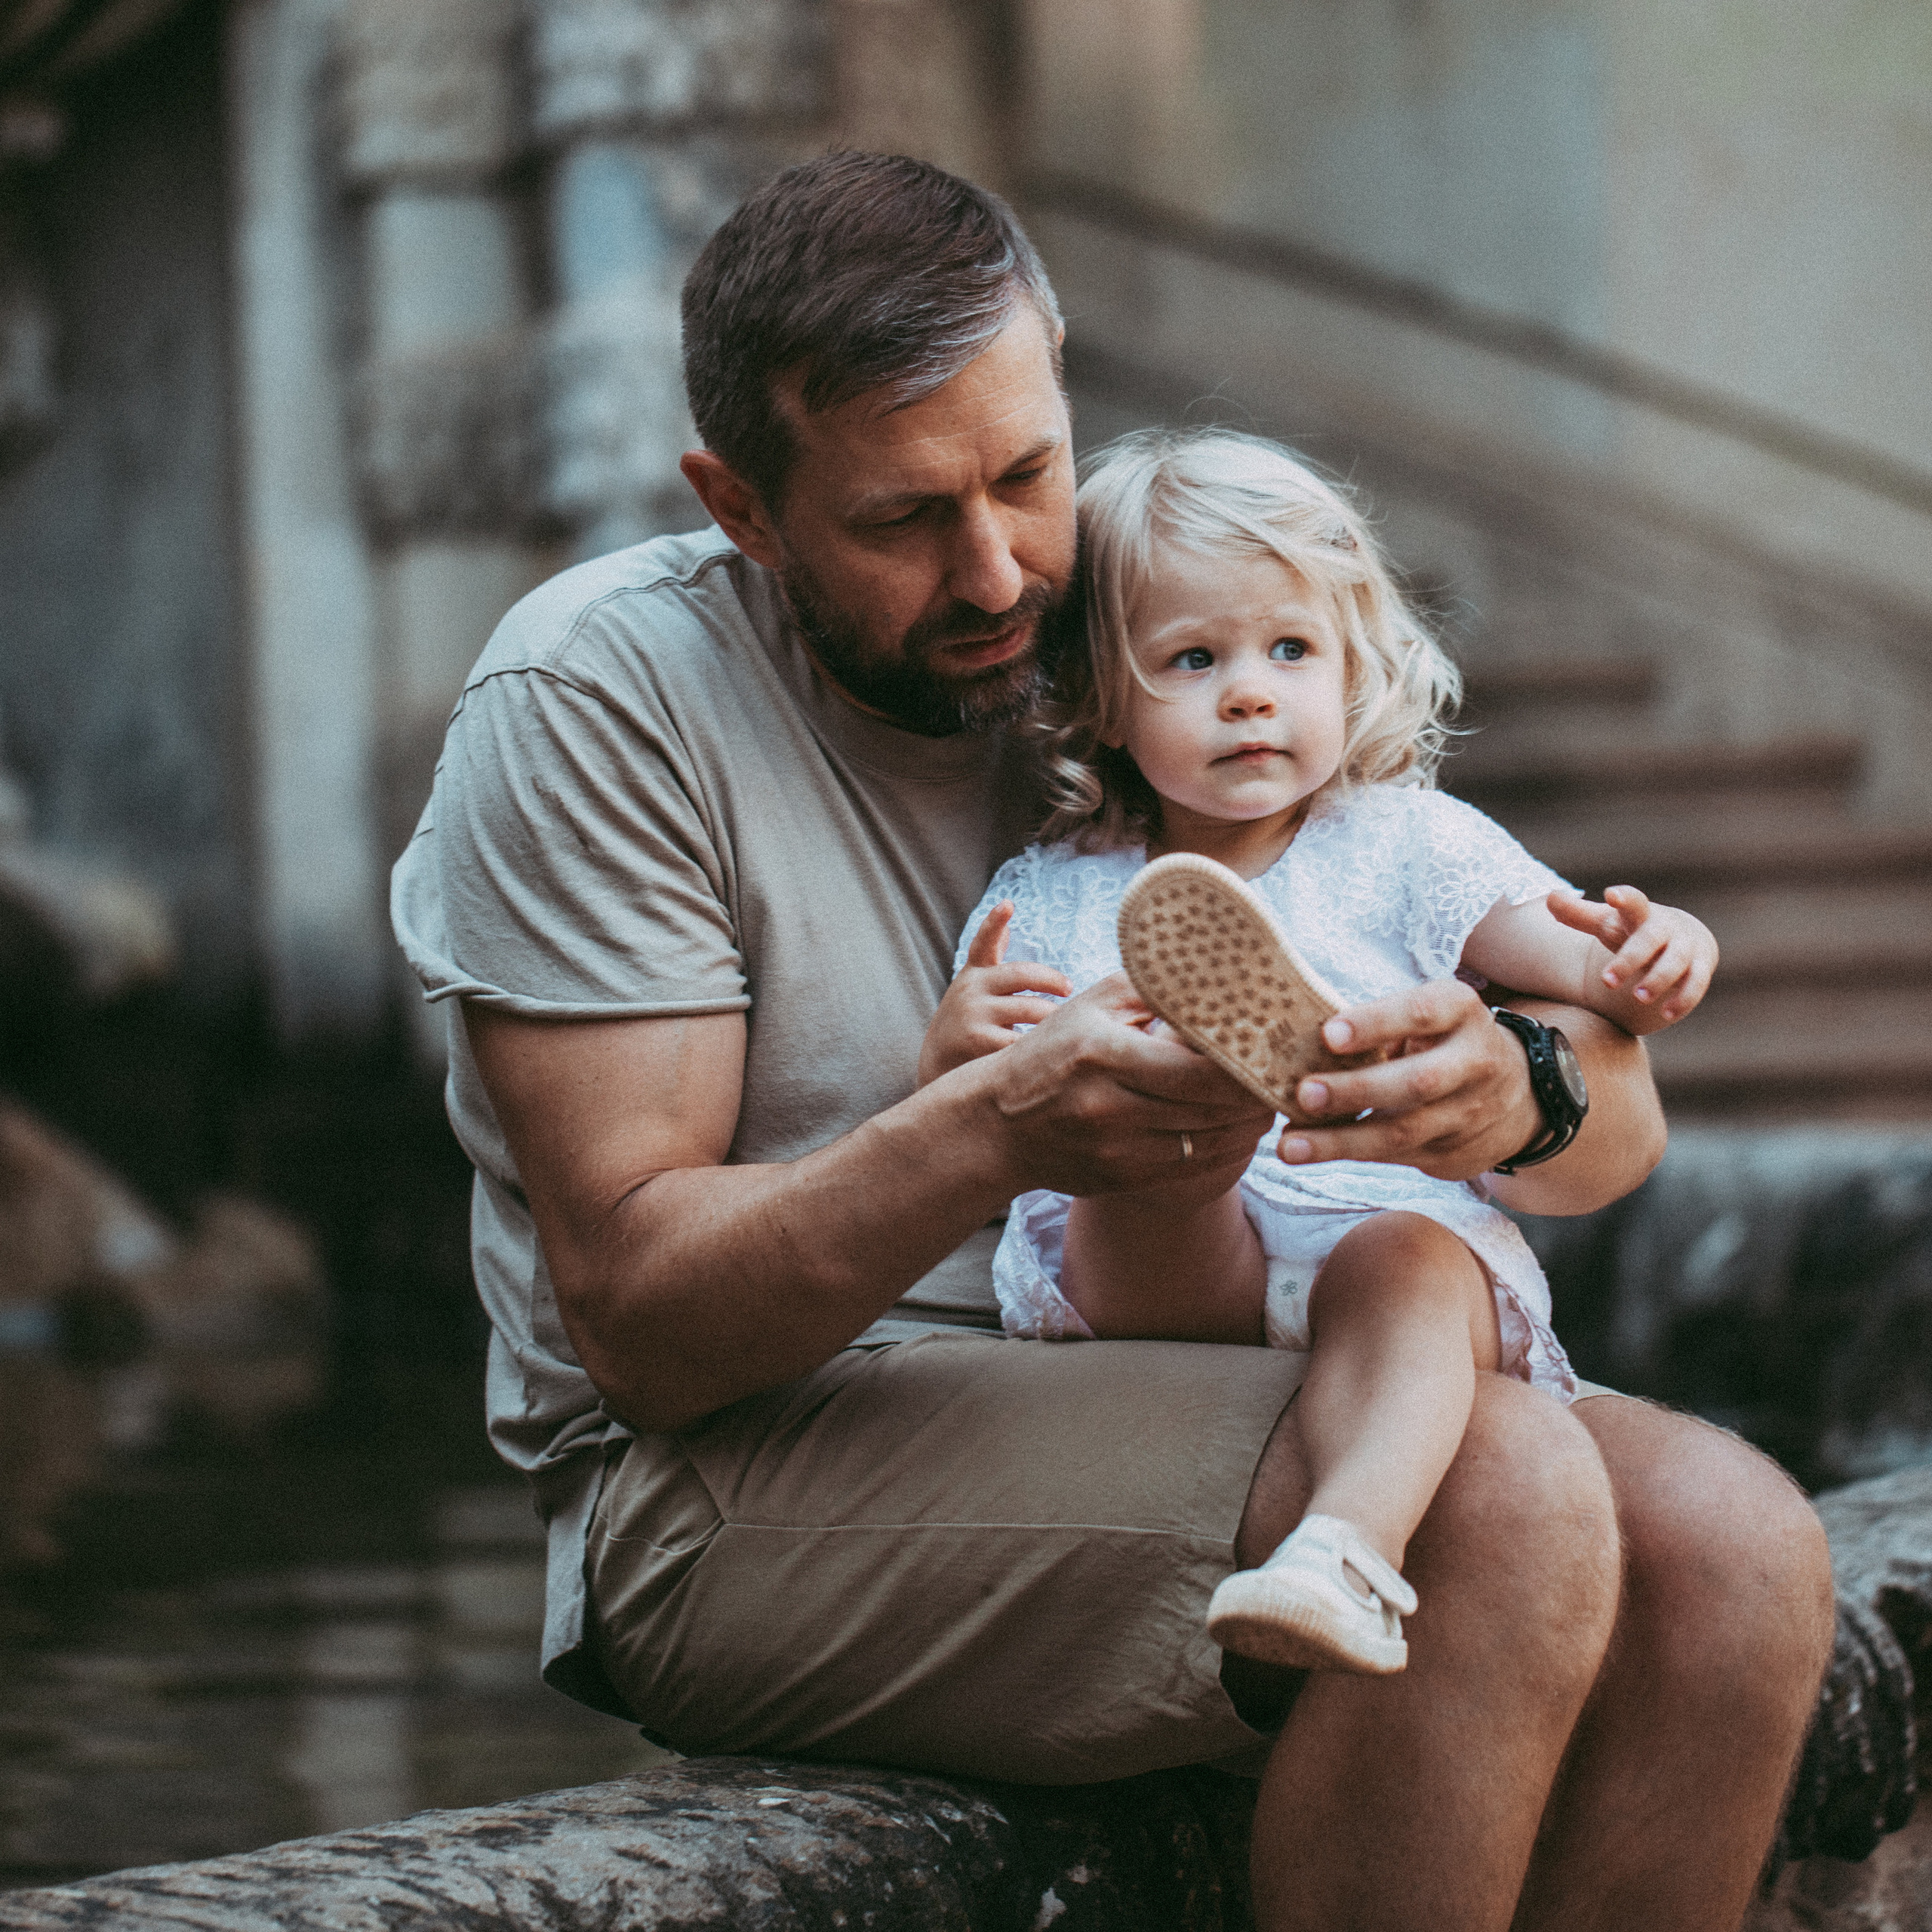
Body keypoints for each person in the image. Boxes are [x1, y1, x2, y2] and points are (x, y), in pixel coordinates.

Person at [392, 150, 1833, 1930]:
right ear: (743, 509)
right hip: (740, 1470)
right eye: (901, 518)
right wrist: (995, 1123)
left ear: (1059, 378)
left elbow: (1611, 1129)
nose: (994, 569)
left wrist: (1514, 1081)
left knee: (1743, 1552)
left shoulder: (1147, 633)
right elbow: (642, 1327)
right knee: (1504, 1497)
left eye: (1023, 471)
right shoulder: (596, 700)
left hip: (1164, 1348)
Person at [921, 428, 1720, 1680]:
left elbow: (1570, 956)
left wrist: (1651, 954)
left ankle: (1340, 1550)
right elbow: (972, 1090)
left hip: (1374, 1237)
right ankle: (1201, 1085)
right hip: (1169, 1293)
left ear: (1350, 668)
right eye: (1193, 659)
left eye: (1288, 650)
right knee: (1141, 1161)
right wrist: (961, 1047)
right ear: (1107, 703)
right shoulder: (1058, 892)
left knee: (1404, 1256)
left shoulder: (1403, 843)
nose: (1249, 692)